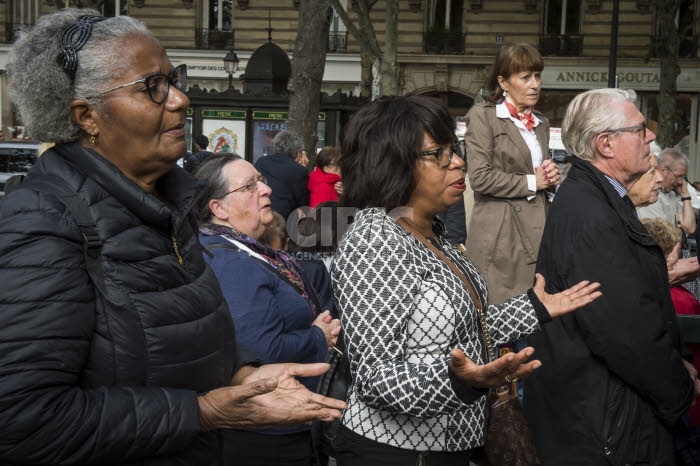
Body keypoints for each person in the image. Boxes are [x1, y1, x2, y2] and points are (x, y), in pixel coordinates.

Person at [0, 9, 345, 465]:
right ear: (87, 117)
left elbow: (171, 340)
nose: (180, 99)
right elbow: (22, 421)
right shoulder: (42, 221)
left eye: (172, 79)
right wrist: (202, 412)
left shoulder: (169, 209)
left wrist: (242, 373)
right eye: (153, 88)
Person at [330, 95, 601, 466]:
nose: (458, 161)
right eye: (439, 153)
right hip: (400, 454)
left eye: (453, 149)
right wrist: (465, 382)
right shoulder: (377, 238)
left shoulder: (432, 233)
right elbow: (376, 377)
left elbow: (465, 329)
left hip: (447, 448)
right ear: (392, 164)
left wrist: (535, 308)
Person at [524, 88, 698, 465]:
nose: (651, 136)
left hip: (604, 415)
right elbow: (625, 334)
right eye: (639, 129)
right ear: (605, 144)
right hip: (606, 425)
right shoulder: (591, 215)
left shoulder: (598, 199)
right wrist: (680, 390)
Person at [193, 152, 341, 465]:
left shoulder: (241, 251)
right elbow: (264, 353)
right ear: (218, 208)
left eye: (261, 180)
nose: (266, 189)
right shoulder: (233, 263)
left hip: (277, 421)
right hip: (266, 434)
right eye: (249, 186)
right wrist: (319, 336)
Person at [465, 42, 560, 306]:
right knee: (500, 320)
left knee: (535, 319)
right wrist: (534, 181)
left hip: (537, 231)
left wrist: (550, 177)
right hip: (500, 237)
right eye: (525, 77)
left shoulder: (541, 122)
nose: (535, 84)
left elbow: (537, 175)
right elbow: (480, 178)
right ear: (503, 82)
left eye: (537, 76)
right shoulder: (483, 116)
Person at [638, 148, 696, 235]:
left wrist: (685, 194)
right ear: (663, 169)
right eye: (678, 176)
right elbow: (663, 237)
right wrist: (682, 231)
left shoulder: (672, 193)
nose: (680, 181)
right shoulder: (651, 193)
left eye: (682, 177)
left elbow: (690, 228)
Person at [255, 129, 310, 220]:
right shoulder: (299, 171)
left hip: (260, 215)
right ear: (299, 153)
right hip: (283, 222)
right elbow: (304, 204)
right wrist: (302, 168)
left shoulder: (261, 161)